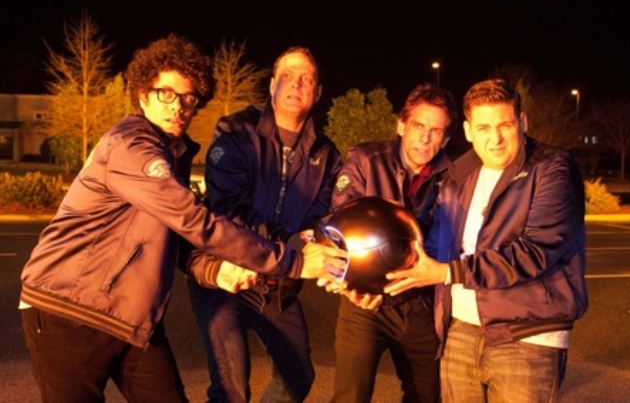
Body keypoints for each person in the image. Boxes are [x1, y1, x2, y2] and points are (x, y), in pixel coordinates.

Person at [19, 34, 345, 403]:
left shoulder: (173, 153)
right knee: (230, 388)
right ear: (143, 94)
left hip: (130, 318)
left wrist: (215, 271)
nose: (178, 106)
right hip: (67, 310)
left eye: (188, 98)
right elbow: (196, 221)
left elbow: (175, 236)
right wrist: (293, 260)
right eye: (166, 93)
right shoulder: (132, 146)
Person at [385, 78, 589, 402]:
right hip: (459, 333)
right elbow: (433, 249)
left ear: (522, 122)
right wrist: (372, 271)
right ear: (468, 131)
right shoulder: (457, 177)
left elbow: (534, 251)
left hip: (528, 336)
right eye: (483, 128)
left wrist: (449, 272)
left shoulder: (552, 168)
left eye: (505, 125)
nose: (495, 138)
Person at [186, 46, 342, 402]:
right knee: (230, 389)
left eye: (306, 79)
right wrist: (290, 246)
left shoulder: (327, 155)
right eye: (287, 75)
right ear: (272, 85)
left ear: (318, 92)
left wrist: (322, 248)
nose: (296, 84)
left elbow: (323, 220)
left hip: (279, 285)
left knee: (298, 377)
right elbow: (229, 208)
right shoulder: (235, 130)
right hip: (228, 274)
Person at [325, 82, 456, 402]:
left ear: (446, 139)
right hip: (365, 302)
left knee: (427, 396)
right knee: (351, 397)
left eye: (436, 131)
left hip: (420, 303)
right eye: (418, 126)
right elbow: (338, 227)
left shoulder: (453, 177)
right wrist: (348, 285)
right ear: (401, 125)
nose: (425, 139)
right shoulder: (366, 160)